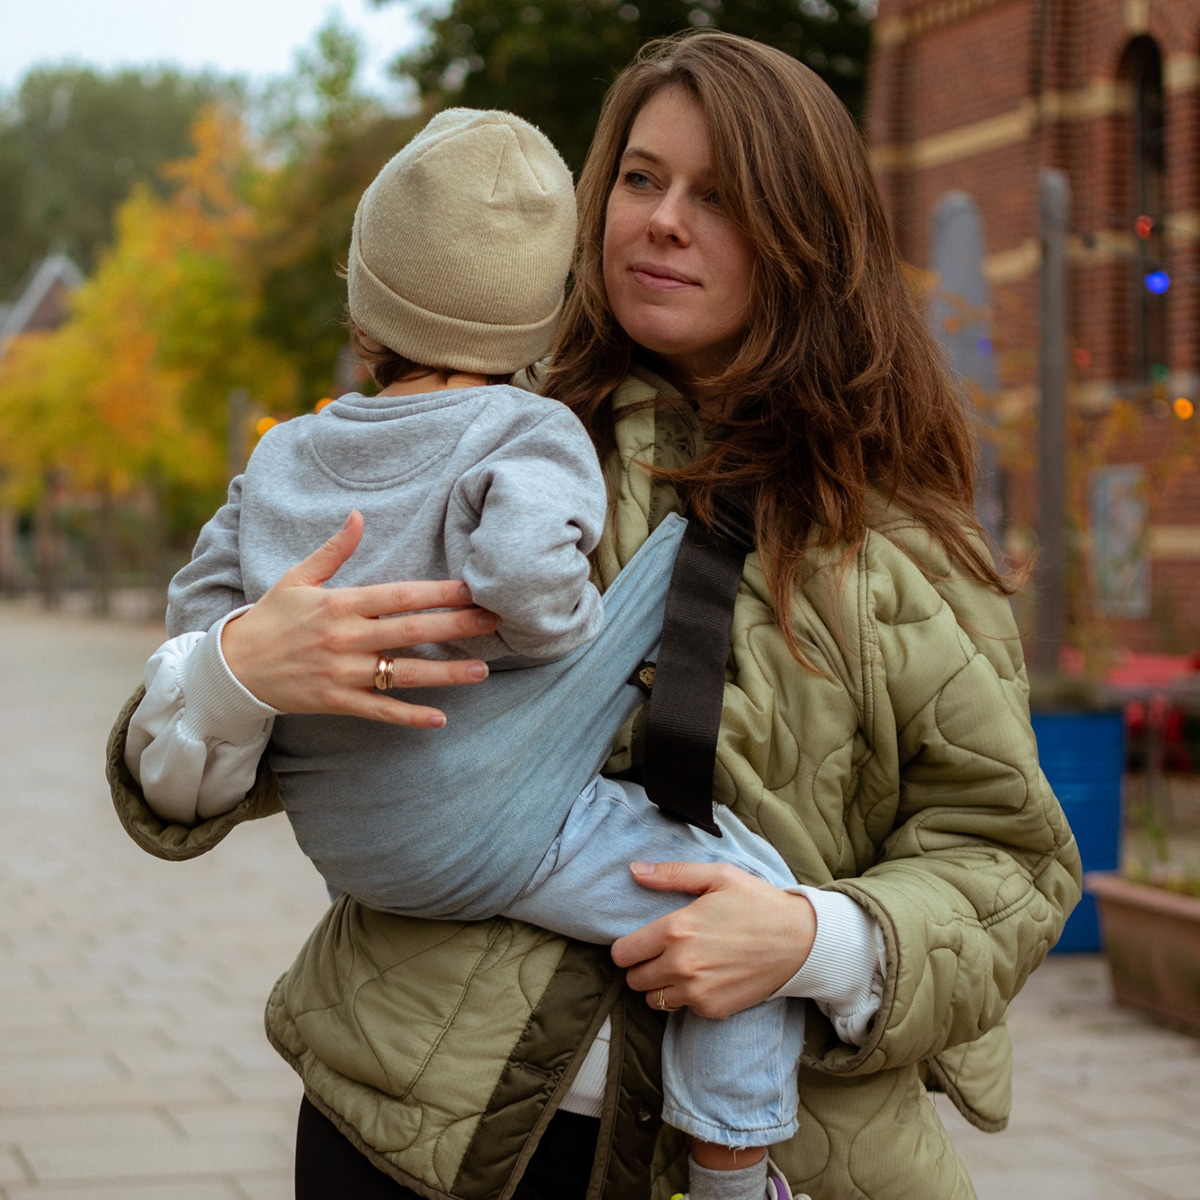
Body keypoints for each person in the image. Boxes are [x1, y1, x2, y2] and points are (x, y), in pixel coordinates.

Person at [107, 29, 1083, 1200]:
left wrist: (813, 938)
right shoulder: (473, 450)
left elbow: (1009, 857)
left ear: (808, 239)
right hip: (415, 1138)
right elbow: (187, 781)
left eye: (719, 196)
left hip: (789, 1158)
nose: (664, 220)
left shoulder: (902, 543)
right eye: (640, 177)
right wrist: (231, 673)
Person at [127, 107, 810, 1200]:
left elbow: (198, 620)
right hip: (486, 833)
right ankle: (733, 1175)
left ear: (364, 299)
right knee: (743, 896)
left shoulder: (287, 452)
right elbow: (525, 583)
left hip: (345, 841)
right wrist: (575, 636)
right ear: (545, 309)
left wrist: (239, 659)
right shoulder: (527, 432)